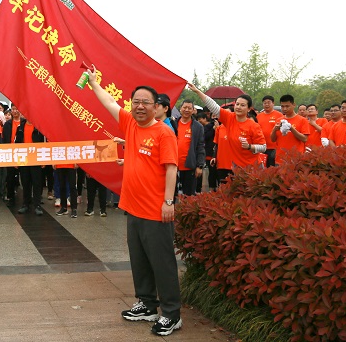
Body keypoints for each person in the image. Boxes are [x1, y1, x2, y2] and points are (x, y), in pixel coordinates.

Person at [87, 67, 182, 336]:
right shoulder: (130, 124)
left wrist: (168, 201)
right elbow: (108, 102)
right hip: (133, 207)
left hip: (155, 210)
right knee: (139, 260)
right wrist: (94, 82)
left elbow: (172, 168)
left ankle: (172, 314)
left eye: (146, 102)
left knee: (162, 263)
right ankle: (147, 304)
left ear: (156, 107)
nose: (140, 106)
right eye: (136, 102)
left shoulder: (164, 133)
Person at [188, 84, 266, 169]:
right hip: (234, 168)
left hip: (250, 168)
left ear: (249, 109)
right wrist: (197, 91)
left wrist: (249, 146)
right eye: (237, 104)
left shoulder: (253, 126)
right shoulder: (229, 118)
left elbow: (263, 147)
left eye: (242, 105)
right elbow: (213, 106)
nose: (239, 107)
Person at [175, 100, 205, 196]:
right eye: (184, 107)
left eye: (189, 108)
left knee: (188, 196)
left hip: (189, 166)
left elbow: (200, 146)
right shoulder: (173, 124)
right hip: (173, 166)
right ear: (180, 109)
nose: (186, 110)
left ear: (193, 110)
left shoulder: (198, 127)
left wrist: (200, 166)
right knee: (172, 195)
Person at [270, 95, 310, 165]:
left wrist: (291, 128)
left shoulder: (302, 120)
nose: (284, 109)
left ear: (293, 105)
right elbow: (273, 139)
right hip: (280, 159)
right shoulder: (279, 120)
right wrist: (274, 130)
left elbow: (305, 139)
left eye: (287, 106)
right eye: (282, 106)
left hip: (296, 160)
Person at [256, 95, 283, 167]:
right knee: (262, 168)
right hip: (261, 147)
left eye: (268, 102)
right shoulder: (258, 116)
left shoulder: (279, 115)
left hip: (274, 147)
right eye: (265, 103)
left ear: (273, 103)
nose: (266, 104)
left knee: (272, 168)